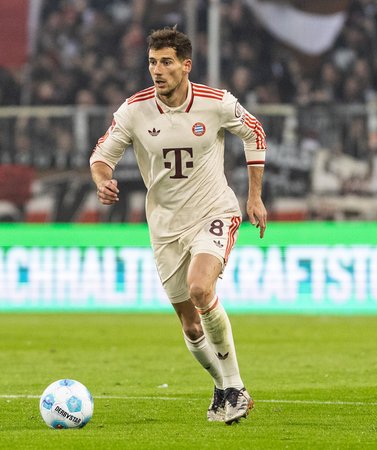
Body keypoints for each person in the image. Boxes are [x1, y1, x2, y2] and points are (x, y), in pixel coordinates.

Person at [89, 27, 268, 425]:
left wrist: (254, 196)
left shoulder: (216, 103)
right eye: (152, 62)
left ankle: (236, 386)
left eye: (166, 62)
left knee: (201, 288)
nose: (157, 70)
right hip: (165, 226)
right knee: (189, 325)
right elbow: (101, 156)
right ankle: (222, 386)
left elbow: (254, 132)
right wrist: (103, 181)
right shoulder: (133, 111)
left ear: (186, 66)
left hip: (213, 211)